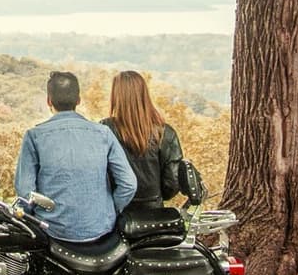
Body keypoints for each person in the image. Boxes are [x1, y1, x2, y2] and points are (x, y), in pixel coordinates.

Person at [14, 70, 137, 243]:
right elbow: (129, 184)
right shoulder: (104, 133)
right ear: (78, 100)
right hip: (101, 230)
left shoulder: (34, 136)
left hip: (52, 231)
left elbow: (25, 192)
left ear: (49, 101)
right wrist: (109, 211)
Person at [102, 70, 206, 210]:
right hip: (154, 213)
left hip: (115, 213)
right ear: (144, 95)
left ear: (115, 97)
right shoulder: (165, 133)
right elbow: (172, 183)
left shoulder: (104, 130)